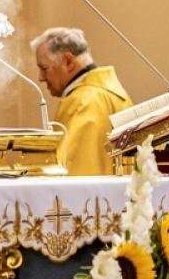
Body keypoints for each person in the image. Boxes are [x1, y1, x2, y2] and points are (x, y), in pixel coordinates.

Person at [31, 27, 132, 176]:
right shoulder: (114, 93)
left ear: (68, 61)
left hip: (93, 198)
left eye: (44, 68)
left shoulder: (84, 102)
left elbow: (71, 167)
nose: (41, 77)